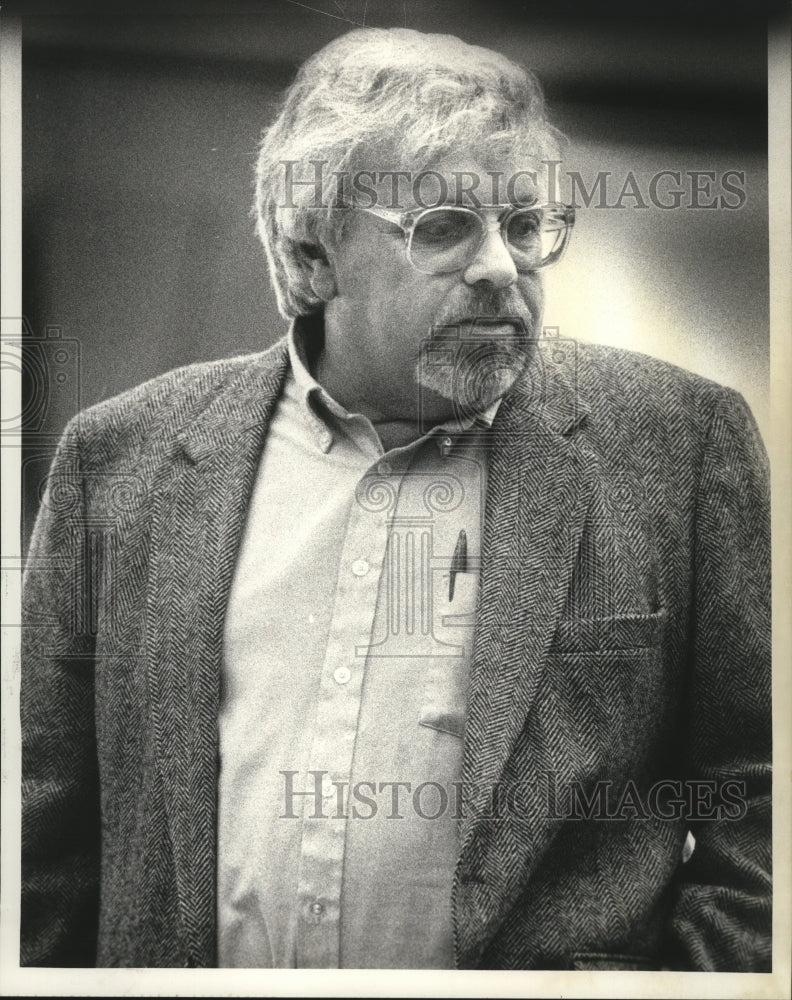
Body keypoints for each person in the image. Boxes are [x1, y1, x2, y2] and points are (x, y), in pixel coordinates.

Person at [20, 27, 771, 971]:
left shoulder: (679, 446)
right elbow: (40, 841)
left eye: (525, 225)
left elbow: (760, 800)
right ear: (310, 256)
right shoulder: (115, 462)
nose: (503, 266)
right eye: (446, 225)